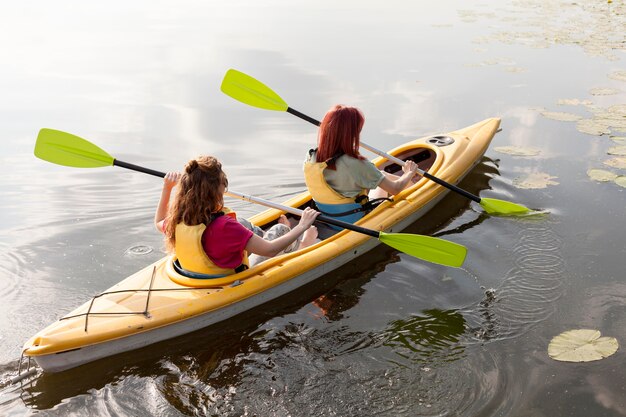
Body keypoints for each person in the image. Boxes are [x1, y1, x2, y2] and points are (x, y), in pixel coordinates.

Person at [154, 155, 320, 276]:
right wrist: (303, 226)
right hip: (229, 279)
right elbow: (269, 250)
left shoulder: (180, 218)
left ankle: (268, 238)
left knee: (241, 223)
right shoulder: (225, 226)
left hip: (195, 273)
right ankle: (302, 245)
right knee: (280, 229)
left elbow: (159, 221)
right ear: (216, 189)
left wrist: (167, 188)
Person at [303, 105, 420, 224]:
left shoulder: (311, 157)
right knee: (391, 181)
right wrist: (409, 172)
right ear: (352, 133)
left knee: (382, 174)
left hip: (330, 218)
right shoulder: (356, 163)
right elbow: (395, 189)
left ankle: (413, 183)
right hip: (356, 221)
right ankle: (416, 185)